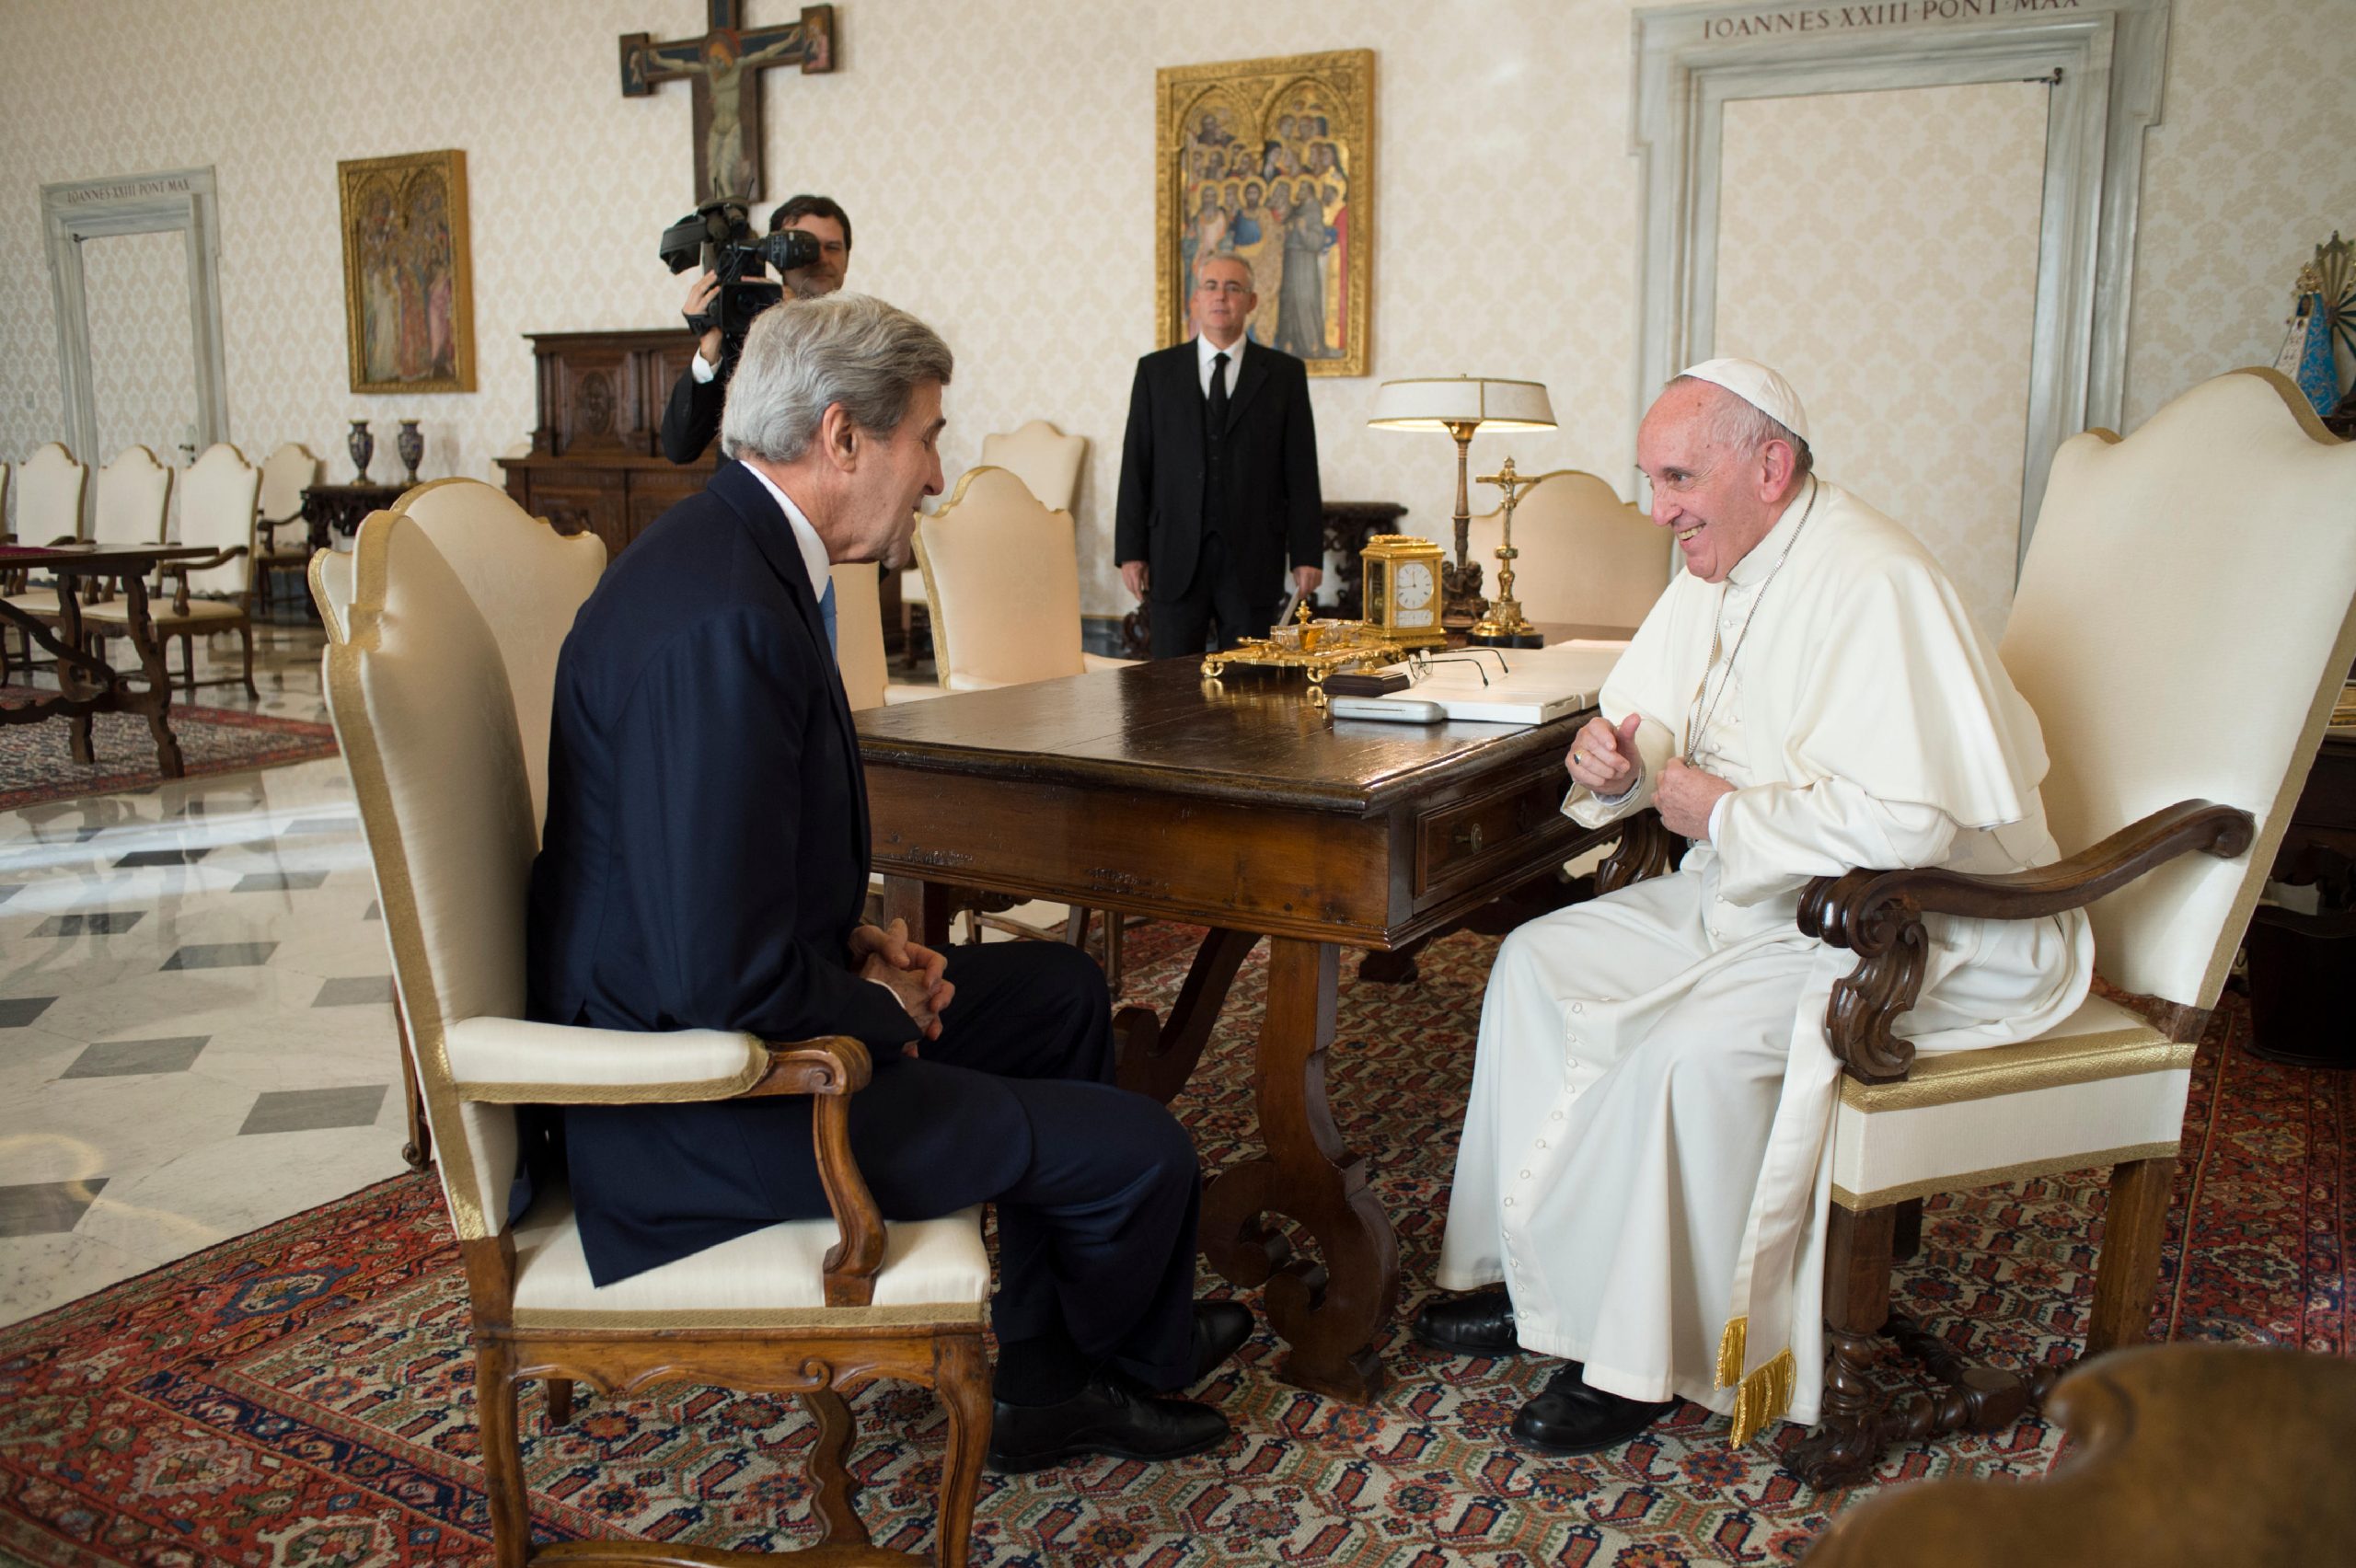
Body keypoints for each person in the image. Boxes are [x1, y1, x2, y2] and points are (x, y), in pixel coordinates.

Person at [528, 293, 1252, 1471]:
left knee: (1063, 990)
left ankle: (1050, 1362)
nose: (934, 473)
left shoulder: (734, 557)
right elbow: (714, 975)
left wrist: (861, 947)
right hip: (711, 1106)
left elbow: (719, 879)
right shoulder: (724, 621)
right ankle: (1102, 1371)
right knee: (1143, 1154)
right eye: (927, 435)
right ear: (842, 436)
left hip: (733, 1015)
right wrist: (878, 1007)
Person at [1415, 359, 2094, 1456]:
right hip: (1765, 888)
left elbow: (1908, 830)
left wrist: (1723, 810)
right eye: (1650, 479)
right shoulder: (1715, 562)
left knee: (1689, 1051)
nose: (1657, 509)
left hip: (1914, 921)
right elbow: (1649, 731)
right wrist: (1610, 765)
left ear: (1768, 466)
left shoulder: (1874, 580)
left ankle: (1635, 1360)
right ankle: (1535, 1276)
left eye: (1677, 476)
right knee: (1536, 963)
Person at [1114, 255, 1323, 656]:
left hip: (1254, 556)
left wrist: (1307, 554)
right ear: (1196, 299)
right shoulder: (1156, 372)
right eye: (1211, 286)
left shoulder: (1284, 375)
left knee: (1250, 687)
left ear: (1252, 301)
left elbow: (1301, 471)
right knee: (1171, 687)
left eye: (1233, 287)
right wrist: (1131, 551)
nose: (1221, 296)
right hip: (1174, 553)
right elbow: (1136, 464)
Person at [657, 193, 852, 464]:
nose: (819, 258)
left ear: (846, 258)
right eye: (804, 247)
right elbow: (680, 448)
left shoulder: (869, 333)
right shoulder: (746, 328)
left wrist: (799, 324)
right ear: (775, 254)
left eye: (832, 247)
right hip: (755, 502)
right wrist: (710, 342)